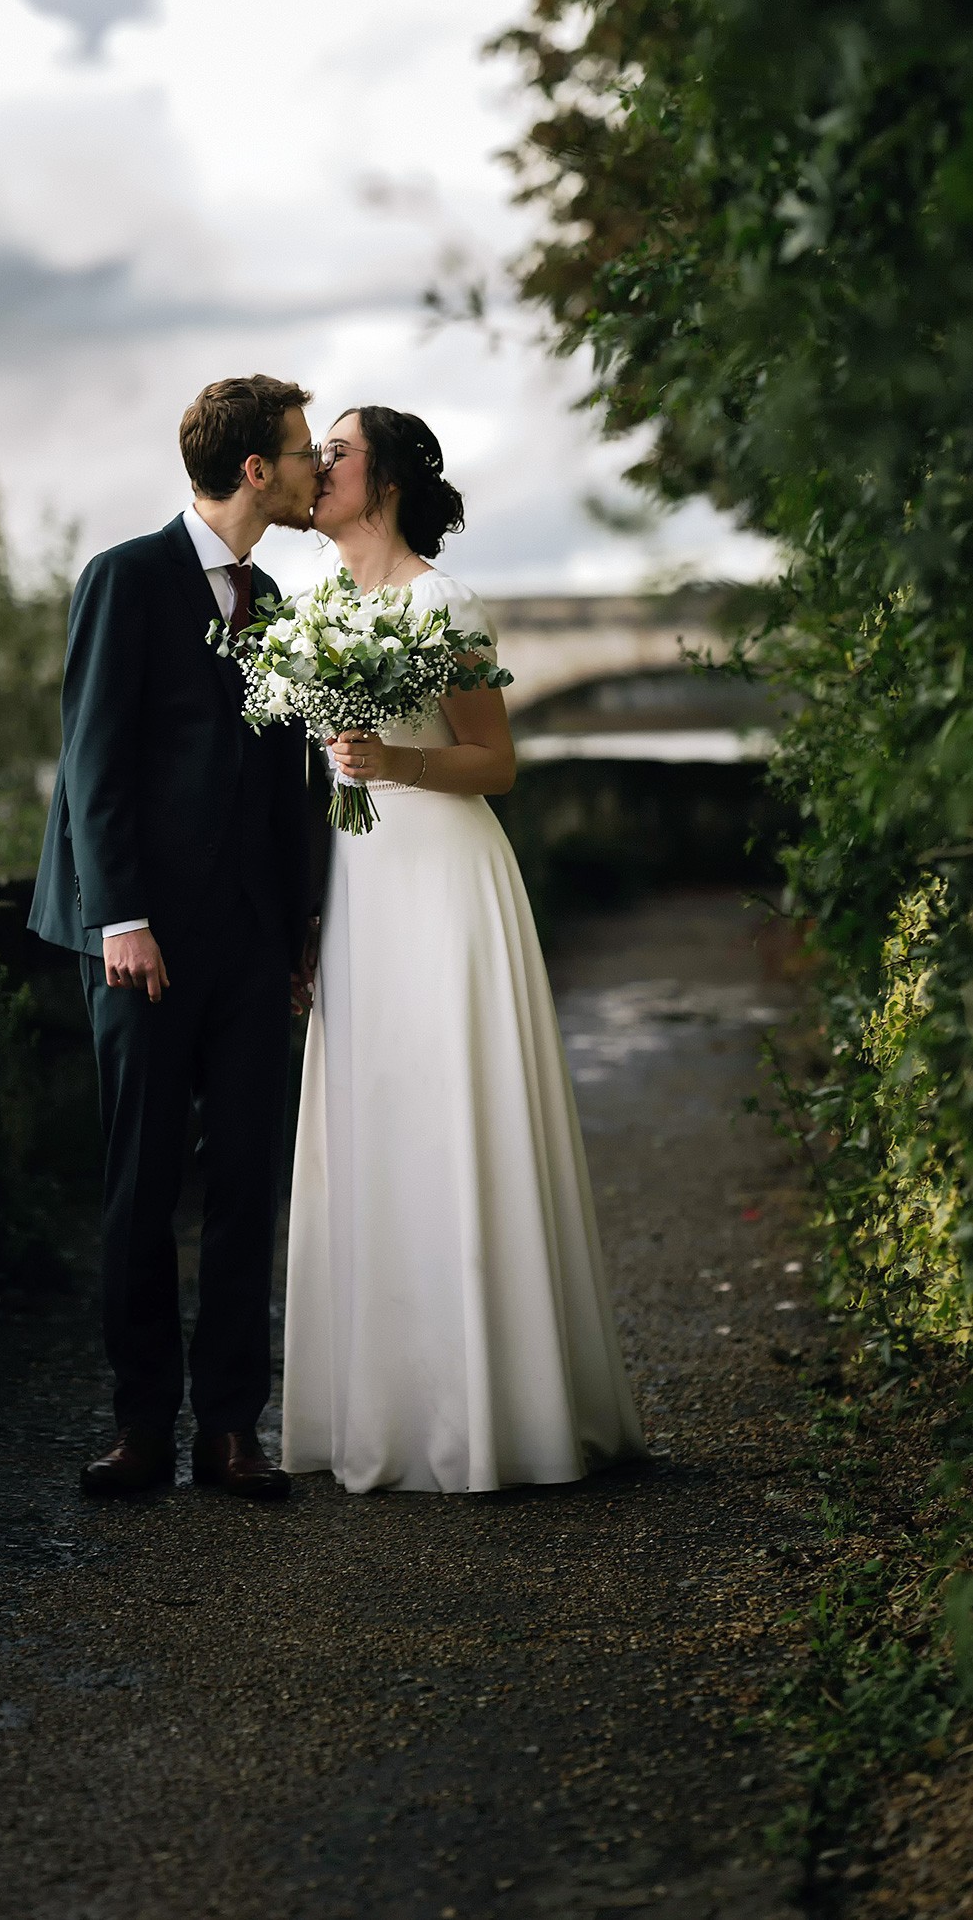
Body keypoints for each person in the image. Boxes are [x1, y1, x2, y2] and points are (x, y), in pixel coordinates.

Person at [281, 406, 646, 1494]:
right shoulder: (315, 606)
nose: (318, 465)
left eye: (336, 452)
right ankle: (387, 1404)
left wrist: (395, 758)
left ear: (383, 479)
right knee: (374, 1112)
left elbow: (495, 761)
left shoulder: (444, 601)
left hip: (443, 875)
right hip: (356, 886)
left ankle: (500, 1411)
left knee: (454, 1107)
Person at [30, 376, 319, 1501]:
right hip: (139, 944)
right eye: (301, 452)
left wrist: (297, 925)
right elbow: (92, 757)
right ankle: (142, 1423)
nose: (310, 471)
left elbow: (283, 779)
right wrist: (122, 916)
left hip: (250, 940)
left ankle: (233, 1428)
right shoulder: (126, 578)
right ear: (254, 469)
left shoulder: (282, 602)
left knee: (246, 1181)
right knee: (140, 1184)